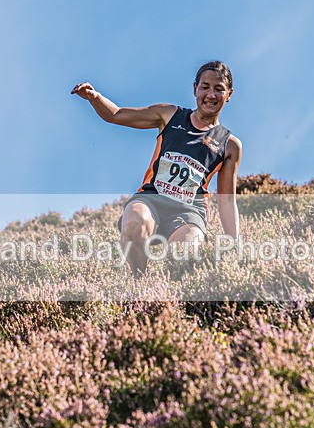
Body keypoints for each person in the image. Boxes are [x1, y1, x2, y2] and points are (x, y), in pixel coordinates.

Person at [71, 61, 242, 277]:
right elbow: (116, 114)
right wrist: (95, 98)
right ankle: (139, 283)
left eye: (219, 89)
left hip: (189, 212)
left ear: (229, 94)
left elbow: (227, 199)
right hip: (152, 199)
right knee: (133, 224)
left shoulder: (229, 144)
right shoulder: (169, 115)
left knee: (184, 255)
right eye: (205, 87)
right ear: (195, 88)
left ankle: (168, 301)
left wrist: (233, 243)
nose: (211, 94)